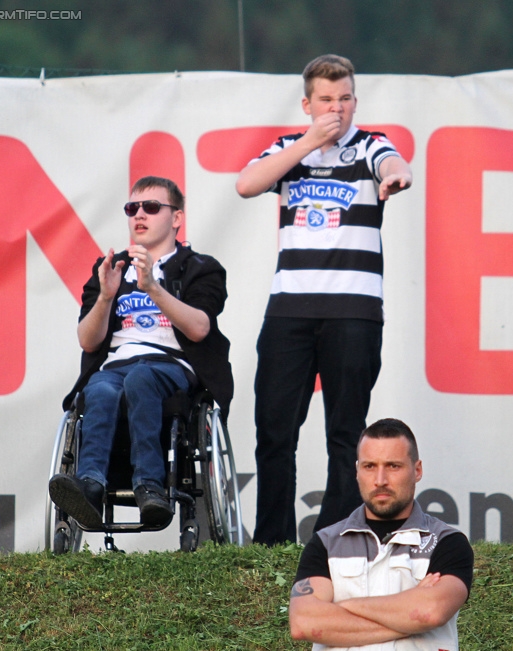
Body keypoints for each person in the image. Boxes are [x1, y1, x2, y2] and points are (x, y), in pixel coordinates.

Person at [236, 54, 413, 546]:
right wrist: (310, 142)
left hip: (353, 311)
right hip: (290, 309)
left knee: (345, 432)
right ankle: (269, 541)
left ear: (356, 101)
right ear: (307, 104)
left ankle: (334, 538)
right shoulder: (289, 148)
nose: (336, 108)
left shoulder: (370, 145)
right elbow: (246, 184)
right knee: (274, 430)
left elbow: (396, 165)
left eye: (344, 99)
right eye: (326, 100)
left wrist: (396, 176)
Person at [49, 176, 233, 529]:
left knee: (141, 378)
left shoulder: (200, 267)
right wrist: (105, 296)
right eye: (132, 208)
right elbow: (88, 341)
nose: (140, 215)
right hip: (117, 364)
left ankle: (150, 485)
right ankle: (90, 486)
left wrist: (152, 287)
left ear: (176, 218)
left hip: (171, 365)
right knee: (99, 388)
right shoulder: (111, 268)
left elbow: (199, 328)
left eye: (151, 207)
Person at [289, 418, 473, 650]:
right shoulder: (325, 543)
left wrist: (340, 608)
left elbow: (429, 613)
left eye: (393, 466)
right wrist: (408, 613)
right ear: (357, 471)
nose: (380, 480)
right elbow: (304, 624)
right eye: (369, 466)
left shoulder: (447, 542)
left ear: (417, 470)